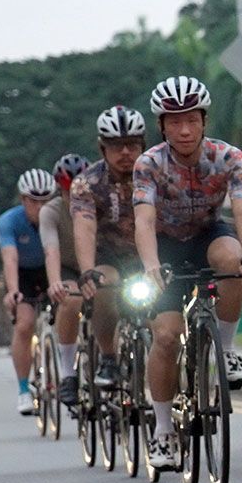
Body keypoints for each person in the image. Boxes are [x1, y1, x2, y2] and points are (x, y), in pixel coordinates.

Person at [133, 76, 242, 471]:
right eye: (175, 122)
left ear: (204, 121)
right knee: (165, 336)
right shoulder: (149, 164)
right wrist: (151, 265)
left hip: (209, 233)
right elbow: (143, 221)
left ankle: (226, 350)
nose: (185, 130)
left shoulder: (229, 157)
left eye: (192, 120)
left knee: (233, 259)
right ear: (161, 125)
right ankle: (162, 431)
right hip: (165, 244)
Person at [72, 106, 148, 392]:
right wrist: (87, 271)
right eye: (117, 146)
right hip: (109, 256)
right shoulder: (87, 183)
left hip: (150, 254)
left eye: (132, 144)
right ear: (102, 148)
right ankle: (108, 357)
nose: (125, 152)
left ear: (143, 145)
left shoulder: (157, 174)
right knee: (104, 285)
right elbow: (84, 228)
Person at [0, 168, 60, 415]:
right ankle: (24, 389)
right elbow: (10, 258)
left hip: (51, 269)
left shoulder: (58, 217)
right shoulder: (9, 221)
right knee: (24, 324)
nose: (41, 207)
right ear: (23, 200)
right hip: (23, 273)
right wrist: (13, 291)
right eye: (34, 201)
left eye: (46, 200)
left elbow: (58, 252)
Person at [43, 154, 90, 405]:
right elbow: (51, 250)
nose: (75, 198)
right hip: (68, 268)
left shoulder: (101, 203)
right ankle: (68, 372)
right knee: (71, 300)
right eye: (68, 193)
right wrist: (55, 282)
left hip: (97, 264)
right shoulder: (51, 212)